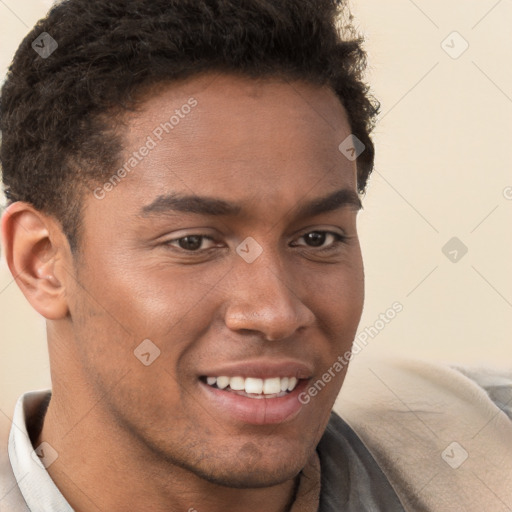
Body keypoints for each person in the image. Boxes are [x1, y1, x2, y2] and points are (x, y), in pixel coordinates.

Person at [0, 1, 511, 511]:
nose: (276, 313)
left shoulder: (487, 441)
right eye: (193, 242)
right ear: (41, 262)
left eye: (317, 239)